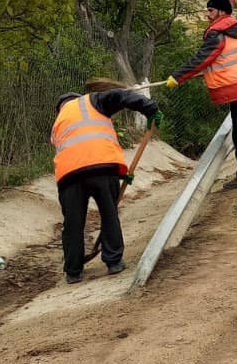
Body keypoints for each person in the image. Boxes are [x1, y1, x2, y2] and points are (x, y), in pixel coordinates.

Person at [52, 83, 159, 284]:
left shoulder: (58, 122)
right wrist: (148, 107)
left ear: (60, 107)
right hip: (102, 167)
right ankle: (113, 262)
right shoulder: (91, 100)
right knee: (109, 213)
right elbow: (122, 95)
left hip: (69, 177)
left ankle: (73, 271)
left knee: (73, 224)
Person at [169, 0, 237, 195]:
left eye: (210, 10)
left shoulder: (219, 33)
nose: (207, 15)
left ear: (221, 12)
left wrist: (177, 77)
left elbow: (202, 58)